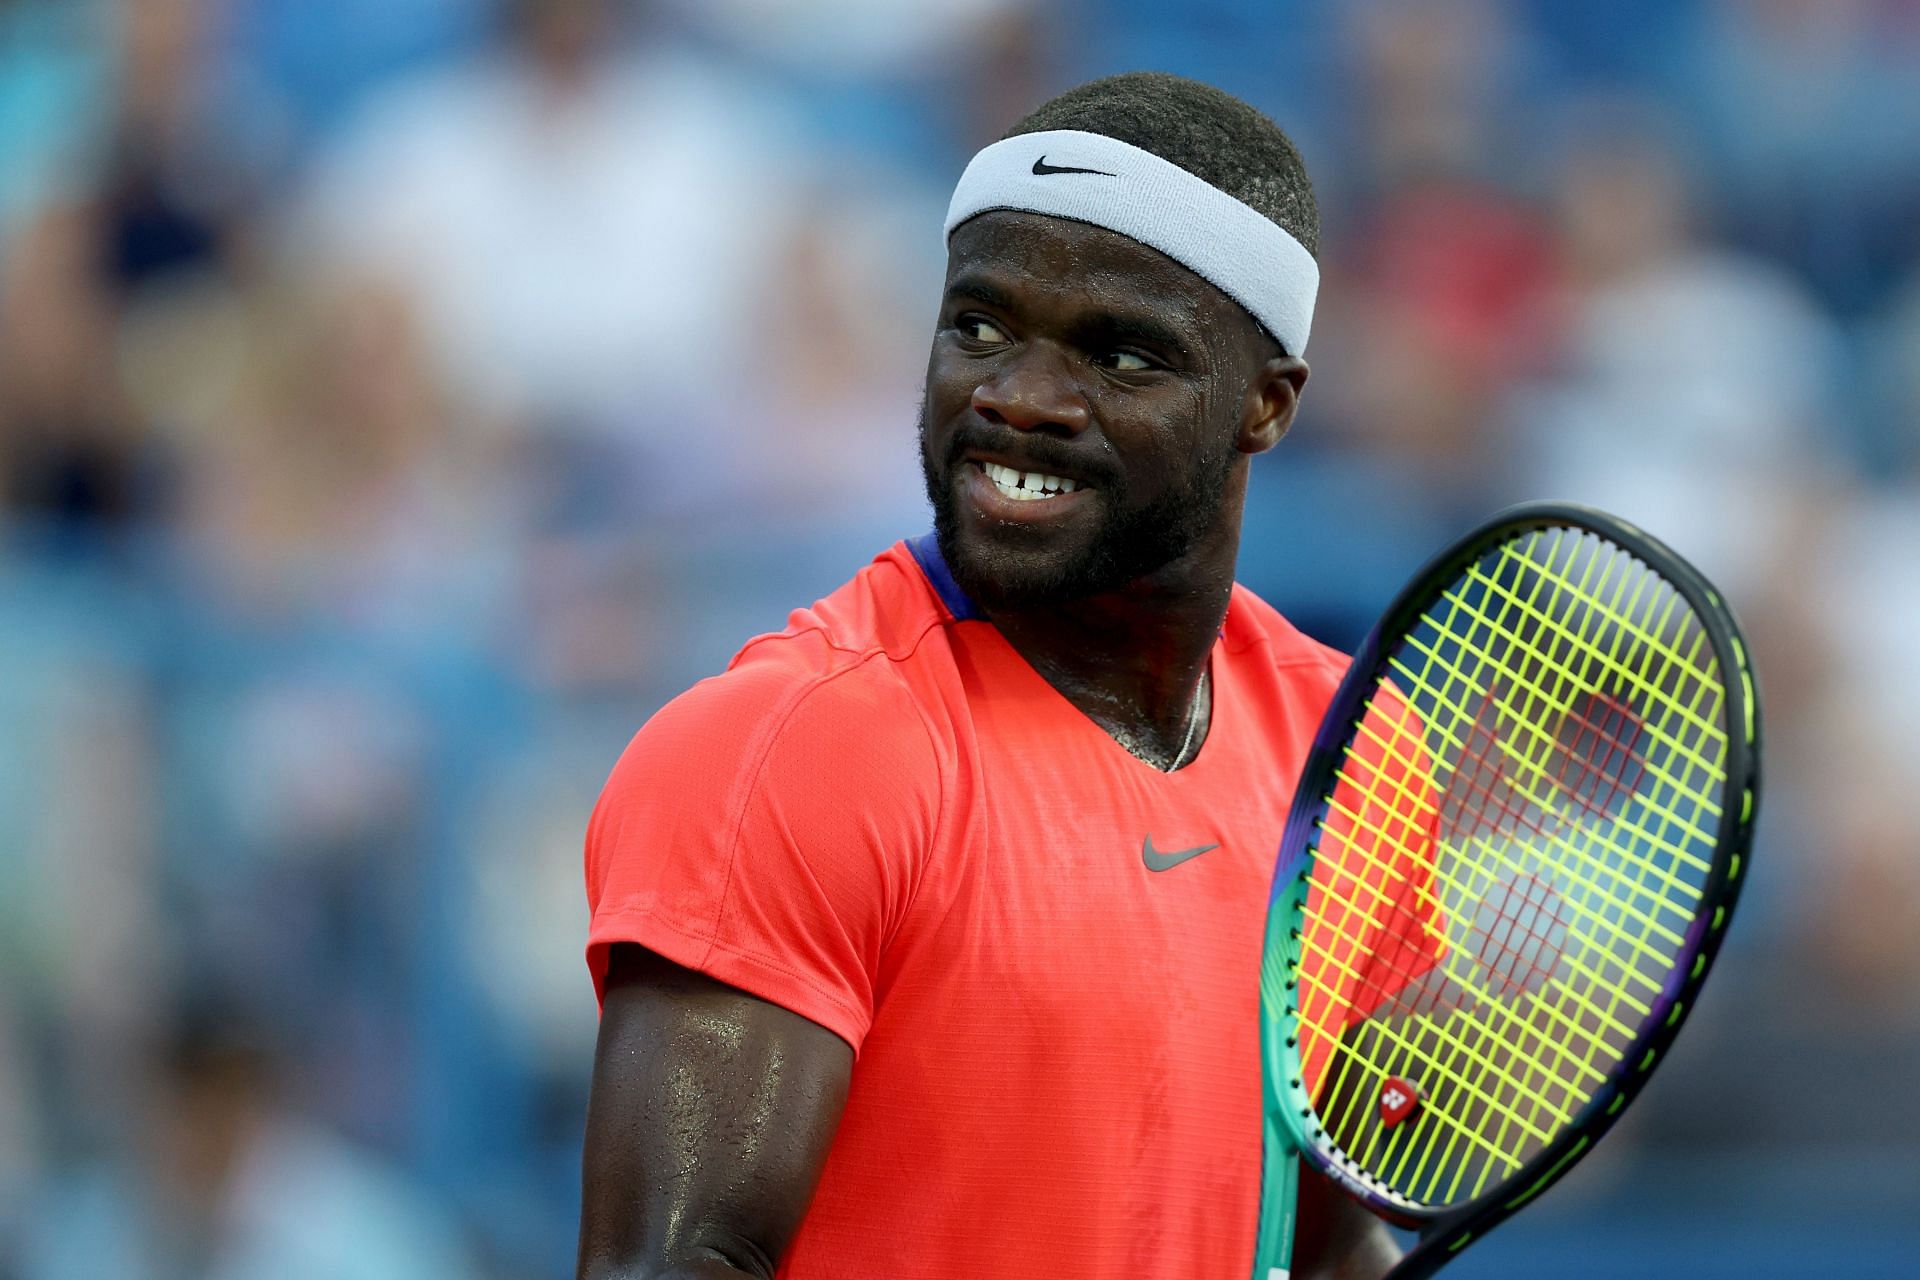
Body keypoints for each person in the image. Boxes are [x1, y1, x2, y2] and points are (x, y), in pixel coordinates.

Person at [577, 71, 1401, 1279]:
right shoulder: (792, 748)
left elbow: (1322, 1240)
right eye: (980, 326)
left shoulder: (1354, 756)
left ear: (1265, 408)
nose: (1018, 397)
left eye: (1120, 355)